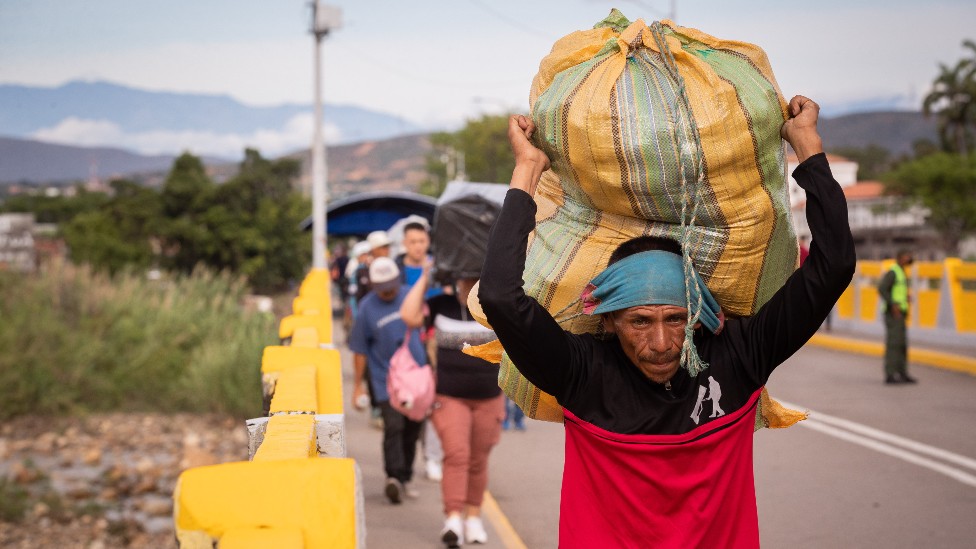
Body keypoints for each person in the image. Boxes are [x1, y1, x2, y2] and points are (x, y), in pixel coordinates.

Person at [478, 96, 856, 547]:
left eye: (677, 319)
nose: (661, 343)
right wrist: (528, 167)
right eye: (640, 321)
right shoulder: (581, 371)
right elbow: (499, 296)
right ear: (610, 320)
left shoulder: (740, 355)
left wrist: (807, 144)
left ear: (700, 314)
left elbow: (832, 266)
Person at [401, 259, 504, 547]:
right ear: (456, 278)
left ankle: (473, 517)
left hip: (489, 397)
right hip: (449, 396)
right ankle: (453, 519)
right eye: (465, 278)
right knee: (457, 454)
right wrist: (424, 277)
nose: (470, 283)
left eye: (475, 278)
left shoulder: (494, 306)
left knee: (478, 460)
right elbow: (408, 316)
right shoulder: (441, 305)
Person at [349, 256, 427, 504]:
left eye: (392, 288)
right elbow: (359, 350)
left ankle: (405, 477)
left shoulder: (409, 295)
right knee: (394, 427)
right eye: (383, 290)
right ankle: (393, 477)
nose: (389, 293)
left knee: (413, 429)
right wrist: (358, 385)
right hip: (385, 380)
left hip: (415, 379)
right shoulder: (366, 308)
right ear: (373, 286)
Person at [395, 221, 445, 482]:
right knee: (411, 405)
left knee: (434, 401)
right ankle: (404, 464)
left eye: (422, 241)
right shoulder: (397, 271)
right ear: (404, 243)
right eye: (412, 241)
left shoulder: (440, 268)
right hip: (405, 348)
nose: (417, 246)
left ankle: (432, 457)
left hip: (434, 345)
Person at [878, 250, 917, 384]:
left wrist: (906, 297)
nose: (910, 258)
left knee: (902, 344)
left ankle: (902, 373)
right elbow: (882, 288)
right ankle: (890, 375)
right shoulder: (893, 272)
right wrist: (893, 304)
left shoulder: (902, 271)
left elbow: (897, 291)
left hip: (901, 314)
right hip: (892, 314)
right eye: (907, 256)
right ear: (900, 257)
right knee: (893, 344)